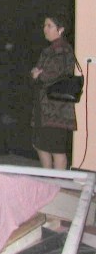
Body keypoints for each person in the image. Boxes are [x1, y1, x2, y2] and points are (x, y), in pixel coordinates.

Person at [30, 15, 77, 170]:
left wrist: (39, 74)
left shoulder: (62, 49)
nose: (45, 29)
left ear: (60, 29)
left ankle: (58, 181)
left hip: (57, 109)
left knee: (56, 149)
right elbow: (36, 72)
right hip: (44, 107)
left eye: (49, 26)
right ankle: (47, 178)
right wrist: (37, 74)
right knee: (40, 145)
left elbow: (49, 74)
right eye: (45, 25)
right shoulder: (49, 50)